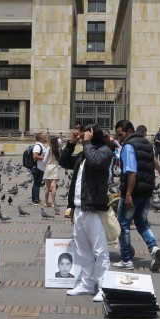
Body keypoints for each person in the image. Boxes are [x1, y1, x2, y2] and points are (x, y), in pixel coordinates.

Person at [58, 122, 113, 301]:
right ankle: (87, 284)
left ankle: (104, 287)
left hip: (94, 208)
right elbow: (64, 161)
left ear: (93, 134)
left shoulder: (105, 151)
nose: (82, 136)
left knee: (100, 250)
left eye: (85, 134)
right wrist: (71, 143)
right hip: (79, 207)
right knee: (82, 250)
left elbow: (96, 162)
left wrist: (87, 143)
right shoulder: (83, 154)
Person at [114, 120, 160, 272]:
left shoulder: (129, 146)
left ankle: (126, 260)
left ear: (129, 131)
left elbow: (132, 172)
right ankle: (154, 248)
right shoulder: (147, 144)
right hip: (147, 191)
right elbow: (153, 162)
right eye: (117, 136)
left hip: (134, 191)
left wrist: (128, 194)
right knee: (142, 222)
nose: (119, 139)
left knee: (123, 223)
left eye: (121, 135)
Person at [43, 135, 61, 208]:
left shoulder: (49, 149)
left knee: (47, 187)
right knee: (53, 186)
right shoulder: (58, 149)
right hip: (55, 168)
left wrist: (44, 165)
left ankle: (46, 202)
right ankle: (53, 203)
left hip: (48, 168)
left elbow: (45, 160)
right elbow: (59, 160)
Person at [30, 132, 47, 206]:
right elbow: (35, 156)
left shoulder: (41, 145)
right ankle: (36, 200)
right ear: (41, 138)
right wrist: (45, 158)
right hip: (37, 168)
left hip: (40, 167)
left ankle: (35, 199)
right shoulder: (37, 146)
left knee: (36, 184)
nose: (46, 137)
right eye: (44, 136)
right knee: (37, 184)